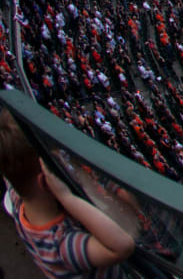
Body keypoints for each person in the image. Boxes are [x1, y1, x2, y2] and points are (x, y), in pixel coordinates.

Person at [0, 110, 136, 277]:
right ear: (46, 181)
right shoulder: (61, 247)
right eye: (59, 164)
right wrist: (68, 198)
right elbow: (123, 246)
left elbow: (11, 167)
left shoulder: (18, 196)